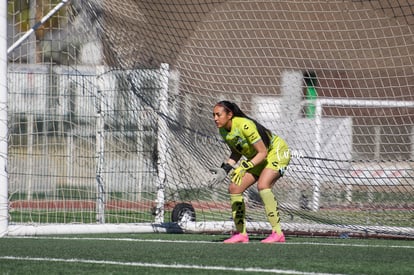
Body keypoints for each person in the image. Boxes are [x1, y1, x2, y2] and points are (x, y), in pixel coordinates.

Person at [210, 100, 291, 244]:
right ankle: (241, 234)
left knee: (263, 185)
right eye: (214, 115)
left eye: (218, 114)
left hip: (276, 152)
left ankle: (278, 233)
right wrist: (225, 169)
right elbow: (236, 152)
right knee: (234, 188)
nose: (215, 118)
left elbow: (263, 152)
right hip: (257, 158)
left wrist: (243, 166)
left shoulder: (244, 125)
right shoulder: (223, 131)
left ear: (230, 114)